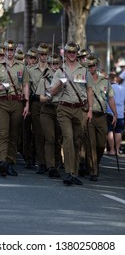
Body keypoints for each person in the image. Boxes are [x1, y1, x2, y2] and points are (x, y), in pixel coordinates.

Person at [50, 41, 93, 186]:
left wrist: (90, 110)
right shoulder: (60, 71)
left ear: (77, 54)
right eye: (69, 52)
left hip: (80, 109)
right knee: (68, 138)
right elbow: (52, 92)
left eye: (74, 52)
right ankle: (68, 172)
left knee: (77, 140)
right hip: (64, 108)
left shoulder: (84, 70)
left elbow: (89, 90)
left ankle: (74, 172)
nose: (72, 55)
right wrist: (60, 84)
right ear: (66, 54)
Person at [0, 39, 29, 177]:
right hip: (1, 103)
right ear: (4, 51)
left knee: (13, 134)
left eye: (12, 50)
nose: (10, 52)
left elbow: (25, 85)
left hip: (17, 103)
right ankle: (1, 162)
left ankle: (11, 162)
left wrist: (27, 104)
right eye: (7, 50)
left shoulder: (21, 67)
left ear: (14, 51)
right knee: (3, 133)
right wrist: (2, 87)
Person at [86, 55, 117, 181]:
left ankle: (95, 163)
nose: (91, 68)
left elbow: (110, 98)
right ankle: (93, 170)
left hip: (102, 116)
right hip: (89, 115)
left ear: (96, 66)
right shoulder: (83, 80)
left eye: (93, 66)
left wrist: (115, 114)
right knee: (91, 144)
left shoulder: (105, 81)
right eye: (89, 66)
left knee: (100, 144)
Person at [36, 53, 62, 178]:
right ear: (49, 65)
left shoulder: (65, 79)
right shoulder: (44, 79)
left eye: (57, 63)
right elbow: (41, 98)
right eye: (53, 64)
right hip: (47, 110)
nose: (55, 66)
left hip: (61, 110)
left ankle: (58, 163)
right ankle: (50, 166)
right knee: (50, 138)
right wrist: (49, 96)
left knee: (58, 139)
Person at [28, 42, 49, 174]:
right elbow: (25, 88)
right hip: (36, 103)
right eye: (41, 54)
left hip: (49, 103)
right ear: (38, 55)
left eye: (46, 54)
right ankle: (41, 162)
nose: (43, 56)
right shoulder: (30, 70)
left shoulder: (54, 70)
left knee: (51, 135)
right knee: (39, 133)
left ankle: (53, 161)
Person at [106, 73, 125, 155]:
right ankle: (117, 150)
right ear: (116, 79)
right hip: (120, 112)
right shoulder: (123, 88)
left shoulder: (109, 87)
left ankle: (112, 149)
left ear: (109, 79)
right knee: (118, 131)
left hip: (110, 112)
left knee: (109, 130)